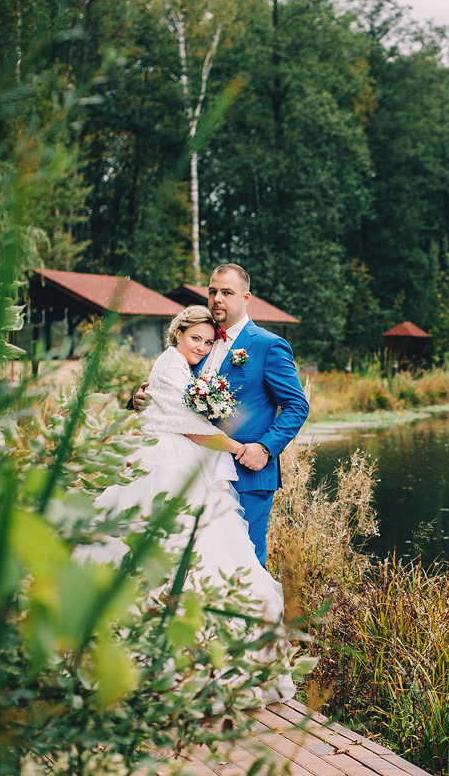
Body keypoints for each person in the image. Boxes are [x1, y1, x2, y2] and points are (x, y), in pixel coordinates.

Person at [89, 305, 295, 703]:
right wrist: (237, 446)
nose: (200, 346)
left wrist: (260, 446)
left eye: (206, 340)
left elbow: (291, 405)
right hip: (169, 465)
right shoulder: (171, 364)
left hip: (195, 463)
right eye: (193, 338)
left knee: (209, 552)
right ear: (177, 335)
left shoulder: (240, 352)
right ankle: (175, 664)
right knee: (181, 550)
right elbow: (191, 425)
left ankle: (196, 660)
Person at [133, 264, 308, 565]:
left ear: (245, 297)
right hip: (198, 475)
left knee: (246, 566)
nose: (217, 299)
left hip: (247, 473)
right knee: (203, 565)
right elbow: (175, 393)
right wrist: (138, 399)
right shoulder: (202, 342)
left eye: (227, 292)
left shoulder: (268, 345)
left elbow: (297, 405)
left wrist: (265, 448)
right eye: (212, 291)